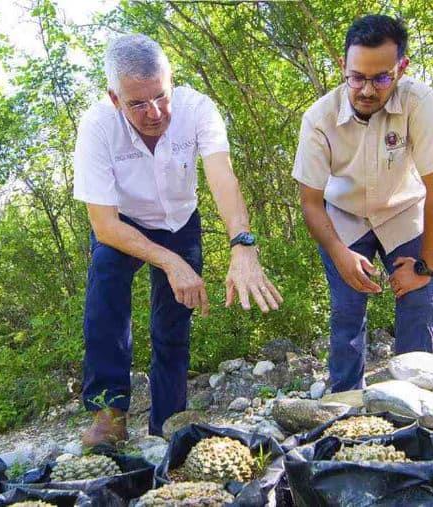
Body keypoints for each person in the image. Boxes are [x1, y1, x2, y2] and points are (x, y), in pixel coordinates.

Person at [73, 34, 282, 445]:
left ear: (172, 82)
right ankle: (109, 411)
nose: (154, 113)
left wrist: (242, 242)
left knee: (173, 323)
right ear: (115, 99)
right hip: (124, 225)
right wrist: (170, 262)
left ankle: (167, 423)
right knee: (105, 300)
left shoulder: (197, 108)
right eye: (137, 103)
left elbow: (222, 177)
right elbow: (104, 225)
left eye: (161, 96)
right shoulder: (96, 126)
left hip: (180, 221)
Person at [293, 14, 433, 393]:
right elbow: (310, 201)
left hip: (402, 210)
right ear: (343, 68)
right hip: (344, 217)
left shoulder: (419, 102)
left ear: (401, 69)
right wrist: (338, 252)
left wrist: (426, 266)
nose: (367, 90)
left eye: (381, 78)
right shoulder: (318, 119)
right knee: (348, 309)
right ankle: (347, 403)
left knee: (418, 299)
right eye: (357, 77)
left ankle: (418, 401)